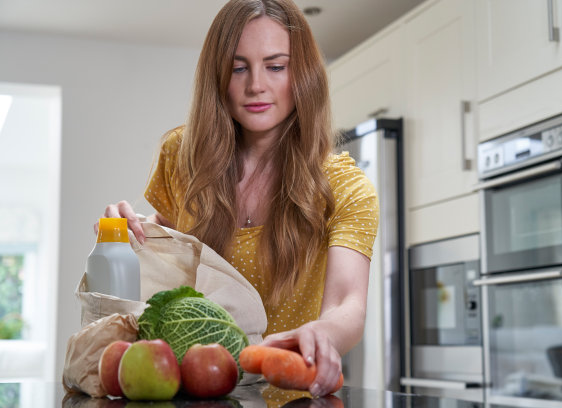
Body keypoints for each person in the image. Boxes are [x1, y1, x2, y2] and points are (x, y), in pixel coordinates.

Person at [99, 0, 379, 397]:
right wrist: (128, 232)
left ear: (303, 75)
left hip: (288, 397)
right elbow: (171, 248)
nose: (256, 86)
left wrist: (322, 333)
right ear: (217, 75)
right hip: (192, 395)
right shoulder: (181, 156)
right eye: (238, 67)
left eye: (276, 66)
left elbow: (348, 303)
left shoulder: (345, 186)